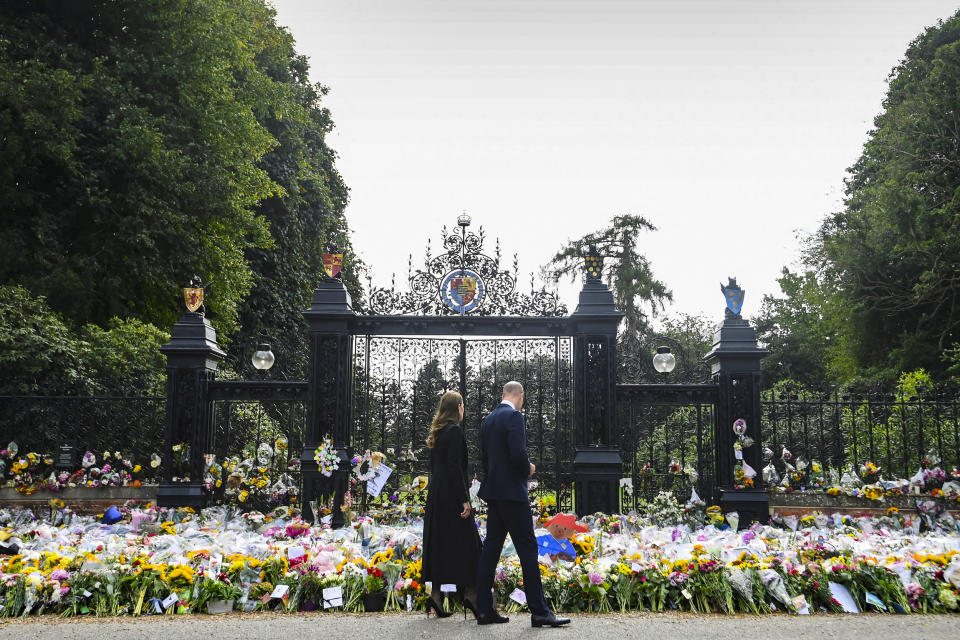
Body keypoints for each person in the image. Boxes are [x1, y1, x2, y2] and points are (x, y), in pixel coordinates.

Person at [474, 381, 571, 627]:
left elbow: (485, 459)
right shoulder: (514, 416)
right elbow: (518, 454)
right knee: (527, 551)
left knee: (490, 551)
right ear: (520, 396)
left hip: (495, 494)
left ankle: (484, 609)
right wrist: (529, 468)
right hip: (513, 496)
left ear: (503, 394)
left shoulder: (488, 420)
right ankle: (539, 612)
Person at [421, 391, 482, 619]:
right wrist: (464, 499)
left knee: (440, 544)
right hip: (451, 497)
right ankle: (471, 594)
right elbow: (455, 467)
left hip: (437, 496)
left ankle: (436, 597)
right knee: (470, 545)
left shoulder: (437, 433)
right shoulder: (455, 431)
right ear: (458, 408)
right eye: (463, 405)